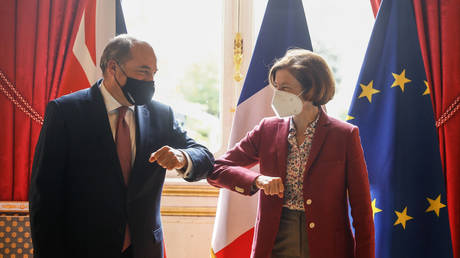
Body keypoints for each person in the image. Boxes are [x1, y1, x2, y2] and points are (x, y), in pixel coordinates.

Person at [29, 34, 214, 258]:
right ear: (113, 68)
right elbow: (45, 196)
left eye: (153, 74)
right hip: (83, 248)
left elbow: (204, 156)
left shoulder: (161, 114)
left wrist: (182, 157)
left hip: (145, 249)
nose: (150, 82)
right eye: (143, 71)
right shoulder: (66, 112)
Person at [207, 49, 374, 258]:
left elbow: (362, 212)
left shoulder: (345, 135)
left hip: (329, 246)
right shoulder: (266, 130)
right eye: (276, 87)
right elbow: (216, 169)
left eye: (285, 88)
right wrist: (258, 180)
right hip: (275, 243)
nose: (277, 95)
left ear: (311, 88)